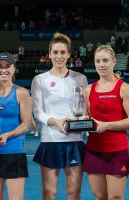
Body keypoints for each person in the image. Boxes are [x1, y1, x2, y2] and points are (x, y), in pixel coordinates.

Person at [31, 32, 88, 200]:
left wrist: (84, 119)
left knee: (73, 194)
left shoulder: (81, 78)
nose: (59, 56)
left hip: (75, 142)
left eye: (63, 52)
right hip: (50, 141)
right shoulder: (40, 79)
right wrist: (56, 122)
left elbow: (84, 110)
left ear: (69, 54)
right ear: (49, 54)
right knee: (49, 194)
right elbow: (37, 112)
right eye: (55, 52)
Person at [83, 45, 129, 200]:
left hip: (116, 150)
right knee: (99, 195)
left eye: (105, 60)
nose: (101, 64)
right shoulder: (88, 90)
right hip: (94, 149)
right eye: (98, 61)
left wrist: (107, 125)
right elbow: (88, 118)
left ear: (114, 62)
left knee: (115, 197)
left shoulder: (125, 88)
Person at [0, 52, 31, 200]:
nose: (3, 70)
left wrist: (7, 135)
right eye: (0, 66)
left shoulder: (22, 93)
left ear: (14, 68)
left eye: (7, 66)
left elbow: (26, 125)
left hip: (14, 153)